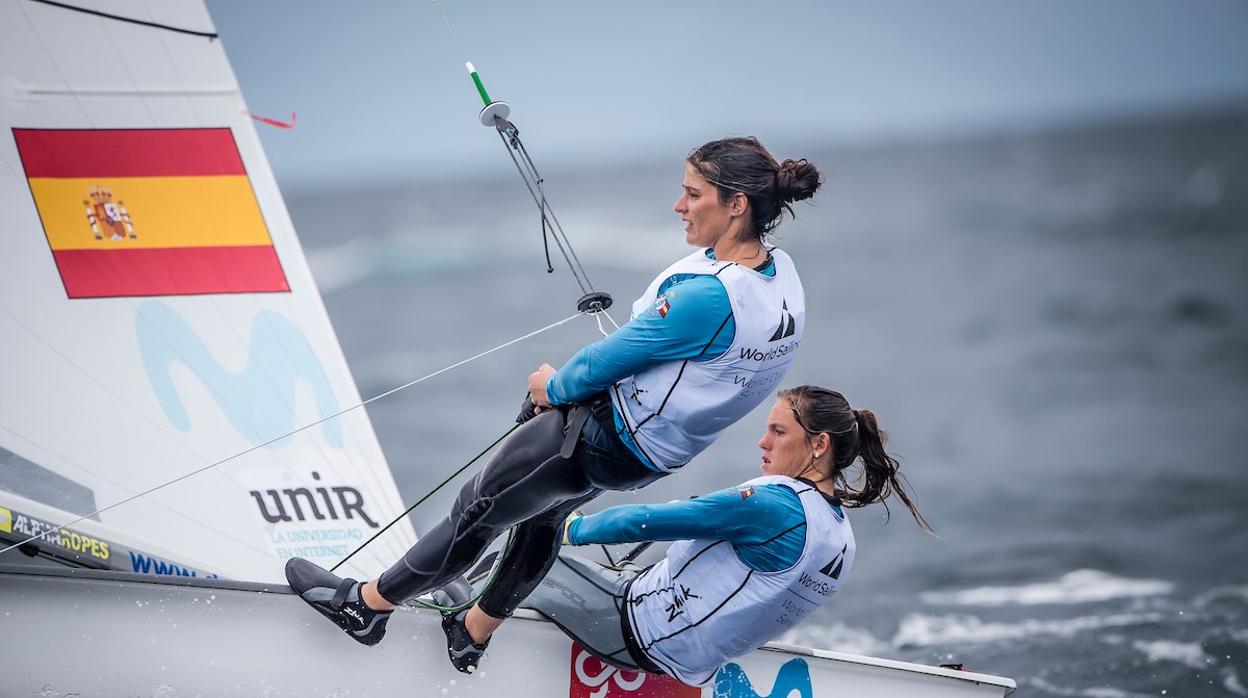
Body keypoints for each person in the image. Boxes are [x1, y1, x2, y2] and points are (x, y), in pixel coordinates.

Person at [285, 137, 823, 669]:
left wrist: (553, 386)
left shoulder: (709, 296)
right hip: (650, 456)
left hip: (603, 437)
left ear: (736, 204)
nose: (679, 206)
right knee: (542, 516)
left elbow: (602, 363)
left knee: (478, 510)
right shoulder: (780, 275)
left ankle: (366, 607)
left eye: (693, 194)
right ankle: (472, 632)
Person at [519, 386, 933, 686]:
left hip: (630, 628)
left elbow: (643, 521)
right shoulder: (839, 533)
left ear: (819, 444)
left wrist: (573, 528)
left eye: (778, 431)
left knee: (525, 551)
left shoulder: (776, 507)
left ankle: (466, 631)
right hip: (687, 663)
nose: (763, 441)